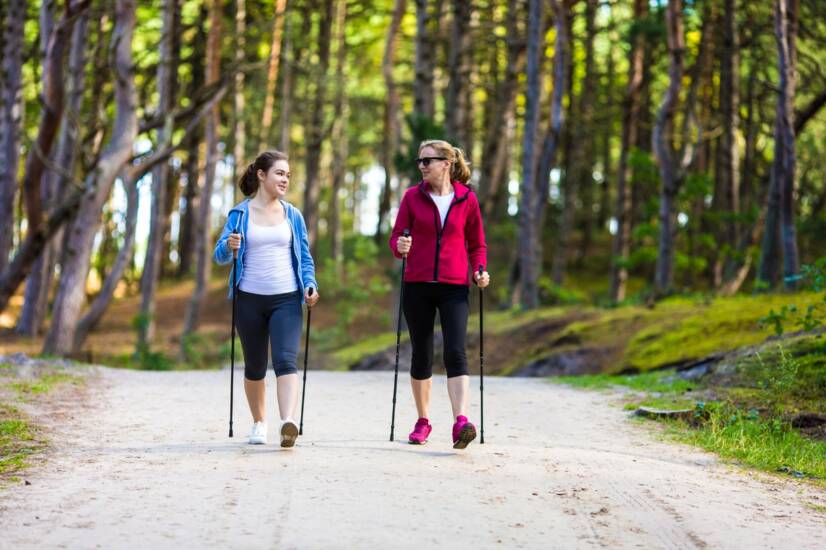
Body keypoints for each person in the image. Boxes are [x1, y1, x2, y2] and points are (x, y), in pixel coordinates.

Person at [214, 150, 320, 448]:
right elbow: (220, 255)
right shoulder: (239, 214)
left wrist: (309, 285)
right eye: (279, 173)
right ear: (262, 175)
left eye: (288, 174)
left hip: (286, 298)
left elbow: (305, 258)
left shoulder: (292, 215)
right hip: (248, 298)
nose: (285, 179)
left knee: (286, 360)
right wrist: (229, 244)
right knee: (255, 365)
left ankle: (288, 422)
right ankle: (259, 422)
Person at [389, 139, 490, 449]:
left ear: (446, 163)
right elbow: (397, 238)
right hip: (417, 284)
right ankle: (423, 421)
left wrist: (480, 269)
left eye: (428, 161)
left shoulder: (467, 199)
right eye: (420, 161)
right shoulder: (411, 197)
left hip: (454, 286)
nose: (422, 166)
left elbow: (477, 244)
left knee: (455, 351)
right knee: (421, 353)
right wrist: (400, 247)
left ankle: (461, 422)